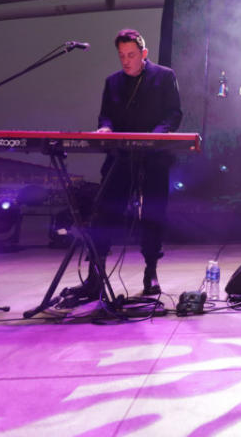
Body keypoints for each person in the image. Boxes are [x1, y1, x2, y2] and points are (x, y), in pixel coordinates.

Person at [61, 29, 182, 305]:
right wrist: (105, 127)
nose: (126, 61)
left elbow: (174, 113)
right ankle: (96, 275)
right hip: (120, 157)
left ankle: (150, 271)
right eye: (122, 56)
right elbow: (106, 114)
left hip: (154, 156)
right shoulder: (112, 82)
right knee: (104, 211)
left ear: (144, 54)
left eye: (131, 55)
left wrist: (156, 135)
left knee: (153, 213)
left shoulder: (164, 76)